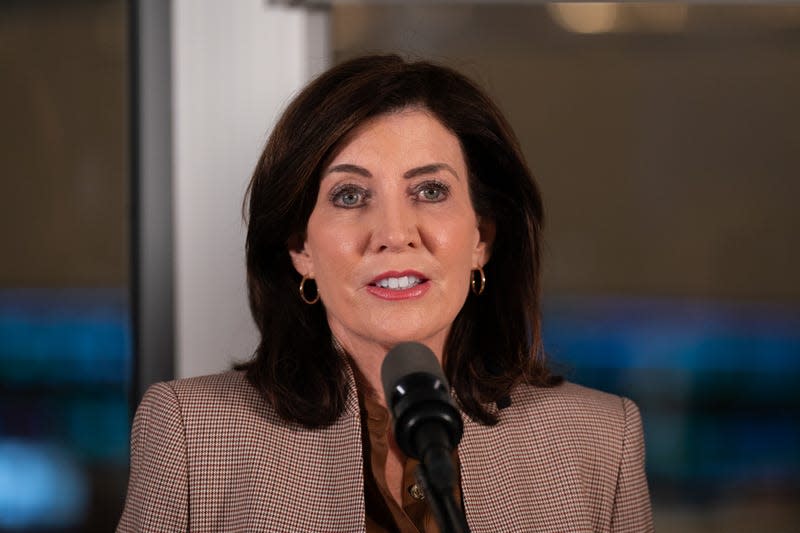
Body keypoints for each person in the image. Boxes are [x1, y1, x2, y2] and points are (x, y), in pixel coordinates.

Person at [117, 54, 653, 532]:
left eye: (430, 190)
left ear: (481, 240)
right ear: (301, 247)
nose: (395, 233)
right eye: (350, 195)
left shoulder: (600, 440)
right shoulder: (192, 436)